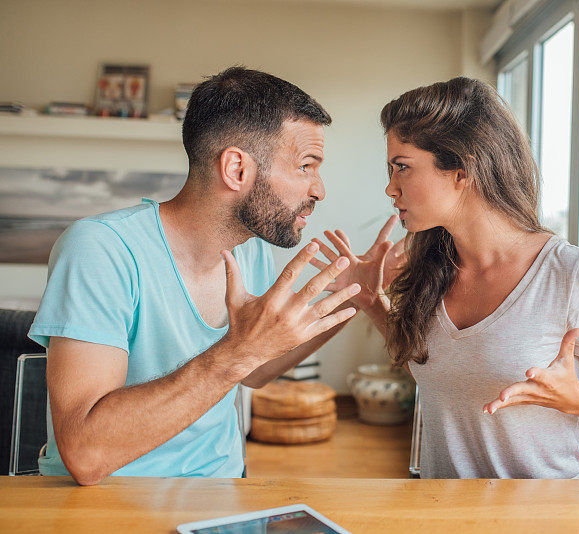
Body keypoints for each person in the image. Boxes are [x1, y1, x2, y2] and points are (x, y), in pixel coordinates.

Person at [27, 67, 401, 485]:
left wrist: (354, 298)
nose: (319, 190)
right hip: (104, 502)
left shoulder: (253, 248)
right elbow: (85, 454)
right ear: (237, 169)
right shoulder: (100, 249)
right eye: (306, 166)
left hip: (220, 493)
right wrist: (239, 351)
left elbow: (255, 369)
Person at [311, 77, 579, 479]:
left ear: (462, 169)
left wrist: (573, 398)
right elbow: (426, 356)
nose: (390, 188)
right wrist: (369, 299)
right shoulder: (431, 264)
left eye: (402, 168)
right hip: (445, 513)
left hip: (547, 517)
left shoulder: (574, 274)